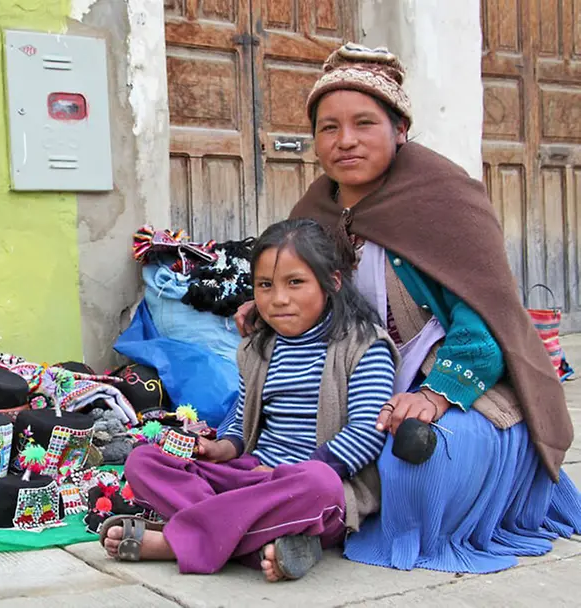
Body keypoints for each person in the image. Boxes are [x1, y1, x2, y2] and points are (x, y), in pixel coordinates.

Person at [234, 43, 581, 573]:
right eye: (328, 128)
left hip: (458, 379)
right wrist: (265, 307)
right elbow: (311, 289)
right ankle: (300, 518)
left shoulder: (447, 199)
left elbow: (485, 320)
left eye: (364, 123)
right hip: (358, 375)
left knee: (415, 455)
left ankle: (328, 519)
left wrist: (436, 395)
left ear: (399, 130)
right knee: (257, 423)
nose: (344, 141)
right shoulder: (317, 206)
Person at [100, 218, 398, 582]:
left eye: (296, 283)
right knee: (145, 460)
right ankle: (266, 544)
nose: (279, 299)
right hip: (250, 478)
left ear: (332, 283)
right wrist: (222, 447)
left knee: (320, 484)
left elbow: (367, 432)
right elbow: (243, 416)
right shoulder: (258, 347)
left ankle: (179, 542)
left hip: (308, 490)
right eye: (265, 286)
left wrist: (280, 476)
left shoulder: (365, 346)